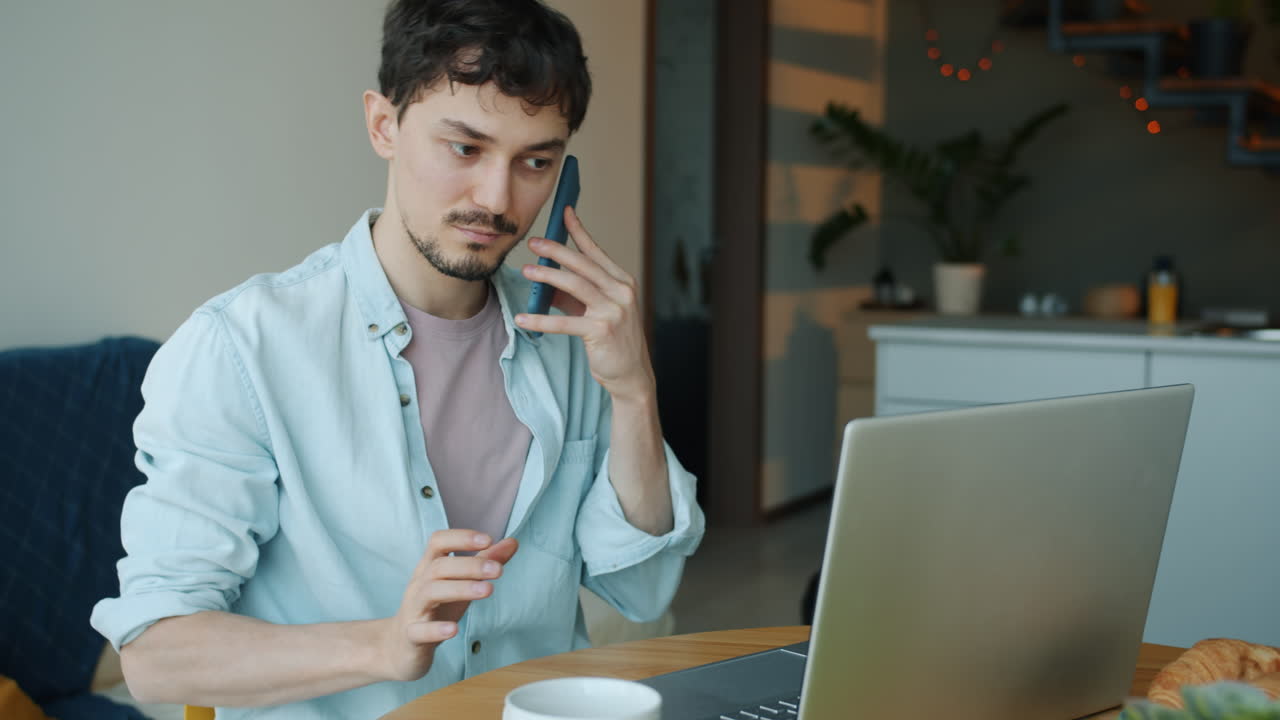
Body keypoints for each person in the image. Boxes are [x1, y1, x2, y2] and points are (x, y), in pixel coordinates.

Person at [89, 1, 705, 718]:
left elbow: (643, 589)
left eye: (535, 162)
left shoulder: (570, 342)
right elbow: (157, 658)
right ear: (384, 125)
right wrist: (383, 646)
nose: (498, 198)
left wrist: (633, 391)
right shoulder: (243, 348)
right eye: (465, 148)